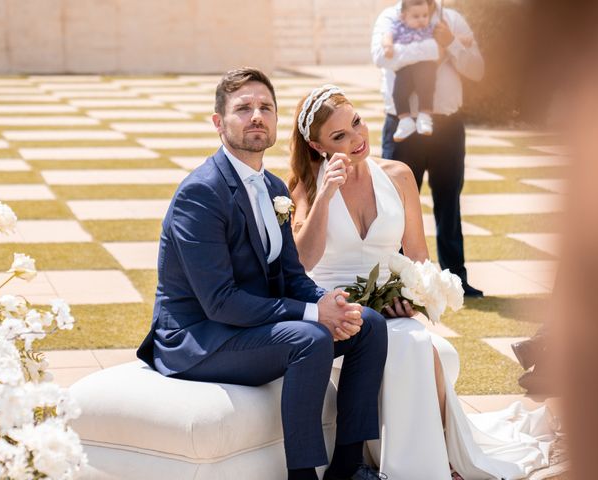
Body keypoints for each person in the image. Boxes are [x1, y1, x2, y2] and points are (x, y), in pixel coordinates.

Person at [289, 84, 556, 479]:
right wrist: (327, 194)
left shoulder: (398, 175)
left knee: (415, 340)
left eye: (357, 123)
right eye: (339, 137)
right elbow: (301, 262)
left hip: (387, 307)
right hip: (339, 316)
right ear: (317, 146)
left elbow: (417, 257)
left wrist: (413, 295)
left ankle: (428, 463)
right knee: (414, 346)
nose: (357, 139)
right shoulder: (307, 187)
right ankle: (430, 467)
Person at [136, 68, 389, 480]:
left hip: (250, 326)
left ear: (274, 120)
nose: (256, 116)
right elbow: (219, 302)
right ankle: (302, 474)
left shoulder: (274, 188)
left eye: (265, 107)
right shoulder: (200, 194)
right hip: (199, 337)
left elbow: (291, 274)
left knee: (368, 324)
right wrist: (311, 315)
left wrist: (330, 303)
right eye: (243, 108)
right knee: (308, 337)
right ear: (219, 123)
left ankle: (348, 468)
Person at [372, 0, 485, 297]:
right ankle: (392, 284)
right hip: (403, 128)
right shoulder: (388, 19)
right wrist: (433, 49)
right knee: (395, 206)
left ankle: (455, 279)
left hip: (447, 127)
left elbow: (477, 71)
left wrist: (452, 45)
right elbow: (383, 58)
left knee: (449, 202)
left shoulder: (453, 20)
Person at [383, 0, 439, 140]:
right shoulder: (399, 27)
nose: (421, 20)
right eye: (416, 16)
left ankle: (425, 117)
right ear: (404, 17)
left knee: (426, 89)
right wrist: (388, 46)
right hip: (405, 68)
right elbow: (387, 35)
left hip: (425, 67)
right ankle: (405, 121)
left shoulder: (430, 28)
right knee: (398, 93)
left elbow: (445, 38)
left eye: (425, 15)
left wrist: (462, 39)